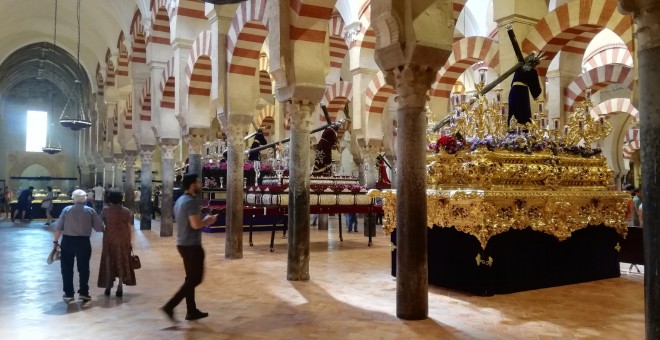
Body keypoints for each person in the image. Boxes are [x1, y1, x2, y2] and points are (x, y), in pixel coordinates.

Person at [162, 173, 217, 322]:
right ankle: (170, 306)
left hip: (182, 243)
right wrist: (208, 220)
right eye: (198, 182)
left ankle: (191, 310)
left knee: (190, 278)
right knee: (195, 279)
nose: (200, 185)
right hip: (192, 245)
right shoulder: (191, 202)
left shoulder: (180, 200)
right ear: (193, 184)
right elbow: (195, 224)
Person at [52, 189, 104, 302]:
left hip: (67, 241)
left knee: (66, 268)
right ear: (85, 198)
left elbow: (58, 228)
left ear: (73, 198)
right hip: (83, 242)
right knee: (84, 268)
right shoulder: (90, 211)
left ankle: (68, 293)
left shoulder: (66, 210)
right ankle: (84, 293)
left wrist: (55, 242)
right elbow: (99, 228)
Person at [98, 190, 136, 297]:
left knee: (109, 260)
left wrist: (104, 229)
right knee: (121, 260)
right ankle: (120, 286)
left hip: (109, 238)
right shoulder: (126, 211)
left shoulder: (105, 210)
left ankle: (108, 286)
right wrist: (129, 240)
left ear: (109, 199)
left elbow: (98, 222)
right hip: (123, 238)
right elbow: (128, 226)